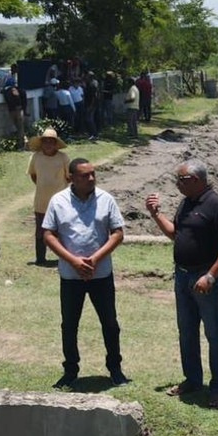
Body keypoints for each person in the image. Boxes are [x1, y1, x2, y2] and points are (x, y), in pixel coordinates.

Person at [145, 160, 218, 408]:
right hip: (183, 276)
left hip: (206, 278)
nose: (177, 184)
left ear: (196, 180)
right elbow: (176, 234)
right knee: (187, 331)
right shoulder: (186, 203)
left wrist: (211, 275)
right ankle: (193, 380)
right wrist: (156, 214)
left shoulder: (216, 205)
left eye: (181, 180)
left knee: (214, 334)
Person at [43, 158, 130, 389]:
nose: (91, 179)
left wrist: (94, 259)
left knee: (110, 323)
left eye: (93, 174)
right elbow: (49, 234)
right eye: (85, 175)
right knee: (69, 325)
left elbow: (117, 233)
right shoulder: (58, 201)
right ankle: (70, 371)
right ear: (71, 178)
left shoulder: (106, 199)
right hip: (70, 276)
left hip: (101, 274)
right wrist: (73, 261)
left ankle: (115, 369)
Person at [27, 128, 70, 266]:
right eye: (45, 141)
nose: (48, 144)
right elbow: (33, 175)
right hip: (41, 201)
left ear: (56, 143)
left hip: (61, 203)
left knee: (62, 231)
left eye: (51, 142)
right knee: (40, 232)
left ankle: (65, 258)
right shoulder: (36, 157)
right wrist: (42, 185)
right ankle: (40, 259)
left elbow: (69, 177)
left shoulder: (63, 157)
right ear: (42, 143)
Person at [1, 64, 25, 137]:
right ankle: (21, 141)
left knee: (15, 125)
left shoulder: (5, 91)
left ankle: (19, 140)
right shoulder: (13, 88)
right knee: (20, 126)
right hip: (17, 109)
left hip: (11, 110)